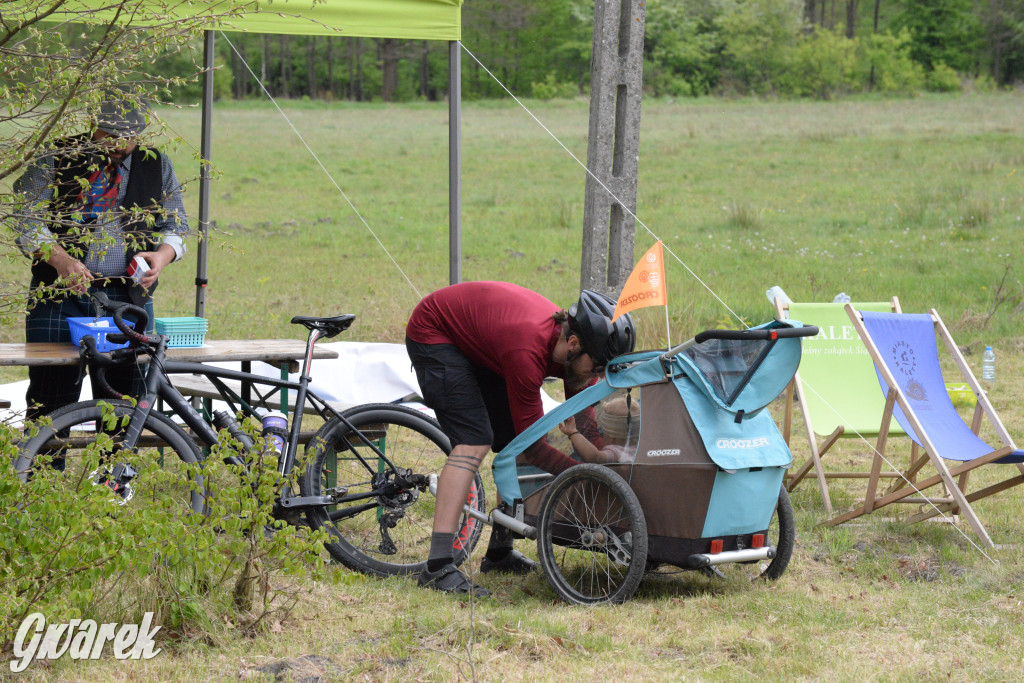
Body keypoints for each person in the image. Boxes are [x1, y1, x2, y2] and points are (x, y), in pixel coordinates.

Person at [405, 281, 635, 596]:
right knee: (475, 441)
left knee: (512, 438)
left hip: (485, 341)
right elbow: (534, 446)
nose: (597, 373)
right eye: (596, 366)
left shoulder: (573, 353)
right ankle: (437, 566)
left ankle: (499, 552)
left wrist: (604, 459)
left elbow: (584, 418)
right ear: (573, 345)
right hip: (436, 333)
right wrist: (582, 476)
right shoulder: (527, 351)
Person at [13, 93, 188, 438]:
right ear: (93, 125)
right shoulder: (58, 158)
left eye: (128, 136)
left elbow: (177, 225)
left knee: (126, 400)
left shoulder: (157, 164)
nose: (119, 144)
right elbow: (25, 218)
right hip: (58, 296)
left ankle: (113, 482)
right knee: (51, 401)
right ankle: (44, 482)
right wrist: (61, 260)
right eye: (109, 134)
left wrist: (163, 255)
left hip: (129, 298)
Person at [558, 394, 640, 464]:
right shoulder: (643, 447)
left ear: (612, 438)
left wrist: (573, 433)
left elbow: (596, 457)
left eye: (603, 433)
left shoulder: (617, 452)